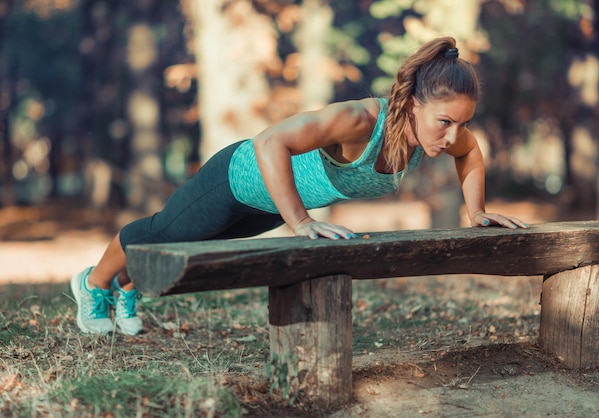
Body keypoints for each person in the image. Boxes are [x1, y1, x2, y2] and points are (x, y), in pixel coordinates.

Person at [71, 36, 528, 335]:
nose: (452, 136)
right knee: (165, 235)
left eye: (462, 122)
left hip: (273, 204)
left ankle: (124, 286)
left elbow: (471, 152)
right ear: (411, 104)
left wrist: (477, 211)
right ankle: (92, 284)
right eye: (444, 122)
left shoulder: (443, 134)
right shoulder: (359, 119)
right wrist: (301, 221)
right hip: (236, 180)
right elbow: (271, 140)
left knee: (195, 241)